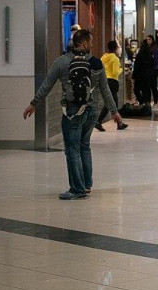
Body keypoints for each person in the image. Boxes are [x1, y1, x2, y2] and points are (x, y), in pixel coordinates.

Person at [23, 30, 123, 200]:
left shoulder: (62, 62)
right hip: (91, 110)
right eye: (89, 42)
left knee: (72, 149)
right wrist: (114, 111)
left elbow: (47, 84)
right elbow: (105, 90)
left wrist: (34, 103)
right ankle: (86, 184)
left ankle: (77, 189)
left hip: (73, 111)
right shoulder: (97, 63)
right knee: (84, 146)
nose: (91, 45)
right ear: (83, 43)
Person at [95, 40, 129, 132]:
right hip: (113, 82)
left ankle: (119, 123)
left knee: (111, 102)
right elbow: (115, 72)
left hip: (104, 81)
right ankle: (100, 121)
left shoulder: (103, 57)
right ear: (115, 48)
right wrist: (122, 69)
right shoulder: (115, 58)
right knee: (112, 103)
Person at [147, 35, 158, 106]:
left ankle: (155, 102)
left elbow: (157, 60)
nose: (148, 41)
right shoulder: (147, 48)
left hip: (154, 69)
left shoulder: (155, 48)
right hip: (148, 70)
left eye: (149, 39)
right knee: (148, 86)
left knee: (153, 86)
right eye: (147, 39)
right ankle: (148, 101)